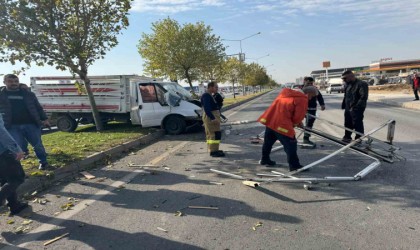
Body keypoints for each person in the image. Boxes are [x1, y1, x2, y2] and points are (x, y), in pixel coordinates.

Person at [258, 86, 319, 171]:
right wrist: (297, 123)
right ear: (308, 93)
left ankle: (265, 159)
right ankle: (294, 165)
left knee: (268, 143)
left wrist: (297, 122)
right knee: (291, 145)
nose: (311, 98)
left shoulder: (284, 94)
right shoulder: (302, 99)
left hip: (271, 121)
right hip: (282, 125)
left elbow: (287, 109)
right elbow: (298, 116)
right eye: (312, 96)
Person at [0, 74, 50, 170]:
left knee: (38, 145)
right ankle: (19, 170)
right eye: (10, 81)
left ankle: (44, 163)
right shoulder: (1, 95)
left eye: (16, 81)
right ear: (4, 82)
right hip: (11, 126)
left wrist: (44, 119)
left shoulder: (28, 94)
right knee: (16, 148)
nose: (14, 83)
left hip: (31, 124)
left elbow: (38, 108)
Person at [0, 113, 29, 215]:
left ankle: (14, 205)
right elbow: (1, 133)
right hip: (3, 153)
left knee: (6, 179)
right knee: (17, 178)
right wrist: (16, 149)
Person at [341, 70, 369, 143]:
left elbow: (363, 97)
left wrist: (356, 107)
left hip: (357, 108)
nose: (344, 80)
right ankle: (347, 137)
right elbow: (346, 96)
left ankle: (358, 139)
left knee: (357, 123)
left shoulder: (361, 84)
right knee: (347, 123)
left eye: (345, 78)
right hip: (348, 107)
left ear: (351, 77)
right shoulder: (348, 84)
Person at [201, 81, 225, 157]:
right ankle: (213, 151)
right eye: (216, 87)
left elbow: (215, 106)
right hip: (210, 118)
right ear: (210, 87)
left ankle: (215, 149)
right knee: (212, 135)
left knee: (217, 134)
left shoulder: (210, 95)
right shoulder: (206, 96)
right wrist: (212, 118)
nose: (217, 88)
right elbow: (207, 108)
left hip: (213, 116)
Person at [302, 77, 325, 146]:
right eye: (308, 83)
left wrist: (322, 104)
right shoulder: (301, 90)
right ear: (304, 82)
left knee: (309, 123)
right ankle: (290, 138)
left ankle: (306, 138)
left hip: (312, 109)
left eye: (311, 83)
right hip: (302, 109)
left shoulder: (314, 89)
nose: (309, 84)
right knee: (297, 123)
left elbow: (319, 97)